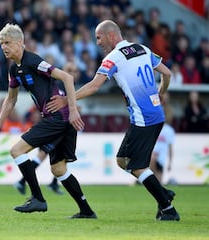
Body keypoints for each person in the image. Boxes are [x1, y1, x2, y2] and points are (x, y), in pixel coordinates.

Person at [47, 20, 179, 221]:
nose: (97, 42)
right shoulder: (142, 49)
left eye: (99, 37)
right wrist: (161, 92)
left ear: (110, 35)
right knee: (122, 160)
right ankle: (162, 193)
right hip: (154, 115)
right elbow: (167, 73)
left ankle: (168, 209)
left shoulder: (114, 58)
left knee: (137, 166)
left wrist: (67, 99)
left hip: (144, 118)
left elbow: (93, 86)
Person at [0, 23, 96, 219]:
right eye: (1, 43)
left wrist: (72, 110)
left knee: (16, 150)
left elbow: (67, 77)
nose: (4, 47)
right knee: (59, 169)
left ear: (20, 42)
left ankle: (38, 198)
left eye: (7, 42)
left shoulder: (33, 61)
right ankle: (86, 211)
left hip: (58, 118)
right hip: (60, 120)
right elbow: (11, 99)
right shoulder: (14, 69)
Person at [150, 93, 175, 183]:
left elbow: (170, 147)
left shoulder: (169, 130)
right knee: (153, 172)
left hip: (161, 156)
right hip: (152, 155)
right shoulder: (153, 127)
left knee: (159, 180)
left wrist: (170, 162)